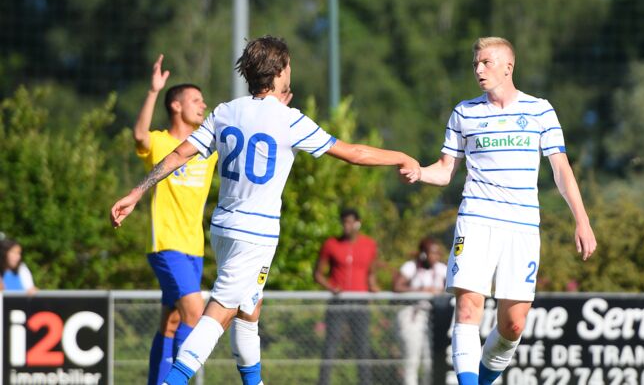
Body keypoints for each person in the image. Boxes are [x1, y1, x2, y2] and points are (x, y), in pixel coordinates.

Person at [111, 35, 419, 385]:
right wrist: (401, 157)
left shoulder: (226, 111)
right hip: (254, 234)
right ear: (280, 70)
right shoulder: (289, 119)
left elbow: (180, 154)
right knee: (219, 312)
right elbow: (353, 153)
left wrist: (136, 192)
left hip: (224, 228)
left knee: (249, 309)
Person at [400, 37, 597, 385]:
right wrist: (419, 172)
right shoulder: (464, 112)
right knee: (468, 308)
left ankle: (483, 379)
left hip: (522, 227)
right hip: (476, 220)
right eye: (475, 63)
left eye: (486, 62)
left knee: (513, 325)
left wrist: (582, 220)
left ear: (508, 67)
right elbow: (445, 170)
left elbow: (561, 171)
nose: (478, 69)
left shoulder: (539, 111)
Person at [133, 55, 218, 385]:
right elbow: (139, 135)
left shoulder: (206, 147)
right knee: (194, 314)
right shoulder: (162, 143)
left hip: (194, 249)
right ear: (176, 105)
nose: (203, 105)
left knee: (170, 324)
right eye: (196, 100)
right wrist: (153, 91)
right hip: (166, 244)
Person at [314, 208, 379, 385]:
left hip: (360, 303)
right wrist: (331, 287)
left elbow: (371, 273)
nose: (346, 226)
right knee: (330, 347)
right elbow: (318, 274)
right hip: (338, 302)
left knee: (362, 347)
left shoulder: (369, 245)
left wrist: (373, 286)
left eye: (350, 222)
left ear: (358, 223)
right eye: (344, 222)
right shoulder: (331, 244)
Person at [393, 237, 447, 385]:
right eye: (432, 253)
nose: (435, 256)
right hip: (413, 315)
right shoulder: (411, 267)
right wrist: (422, 290)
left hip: (435, 318)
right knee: (412, 360)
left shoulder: (441, 269)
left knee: (431, 360)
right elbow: (397, 287)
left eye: (437, 253)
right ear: (423, 254)